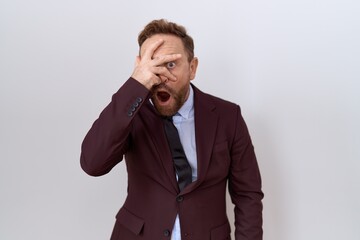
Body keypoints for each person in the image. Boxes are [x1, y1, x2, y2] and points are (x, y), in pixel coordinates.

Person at [80, 19, 263, 240]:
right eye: (153, 64)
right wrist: (135, 84)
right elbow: (92, 163)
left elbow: (247, 195)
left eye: (170, 64)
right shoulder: (130, 113)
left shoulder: (228, 116)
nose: (161, 76)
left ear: (192, 68)